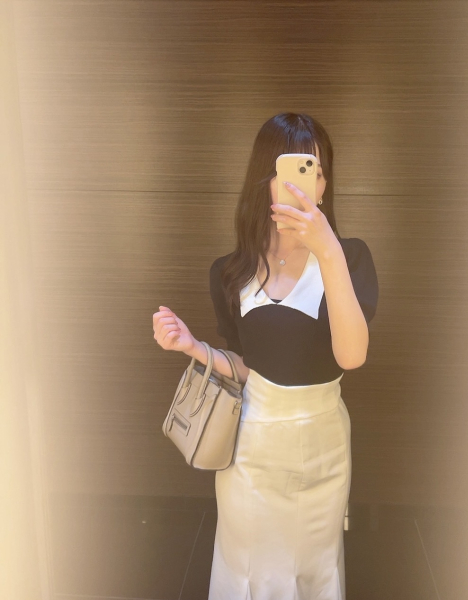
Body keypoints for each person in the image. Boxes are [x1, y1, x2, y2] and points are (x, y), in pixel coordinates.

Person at [152, 112, 378, 600]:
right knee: (248, 568)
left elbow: (352, 356)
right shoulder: (230, 271)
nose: (307, 183)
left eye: (316, 172)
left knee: (315, 567)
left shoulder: (351, 257)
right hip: (252, 449)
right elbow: (245, 367)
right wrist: (192, 347)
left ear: (324, 187)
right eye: (292, 169)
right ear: (265, 179)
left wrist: (327, 251)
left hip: (323, 446)